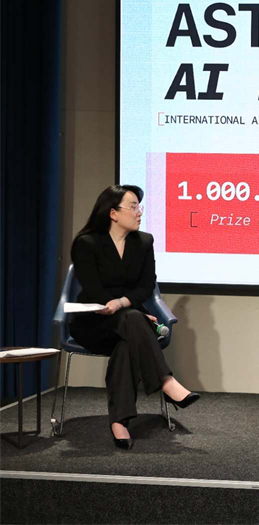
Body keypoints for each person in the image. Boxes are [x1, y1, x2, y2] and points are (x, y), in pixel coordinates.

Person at [70, 185, 200, 450]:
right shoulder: (87, 243)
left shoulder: (144, 242)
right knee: (134, 322)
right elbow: (93, 289)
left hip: (129, 321)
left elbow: (146, 285)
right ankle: (166, 381)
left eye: (139, 206)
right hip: (93, 323)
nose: (139, 212)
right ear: (113, 213)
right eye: (133, 207)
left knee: (127, 341)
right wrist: (129, 311)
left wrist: (123, 304)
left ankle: (119, 422)